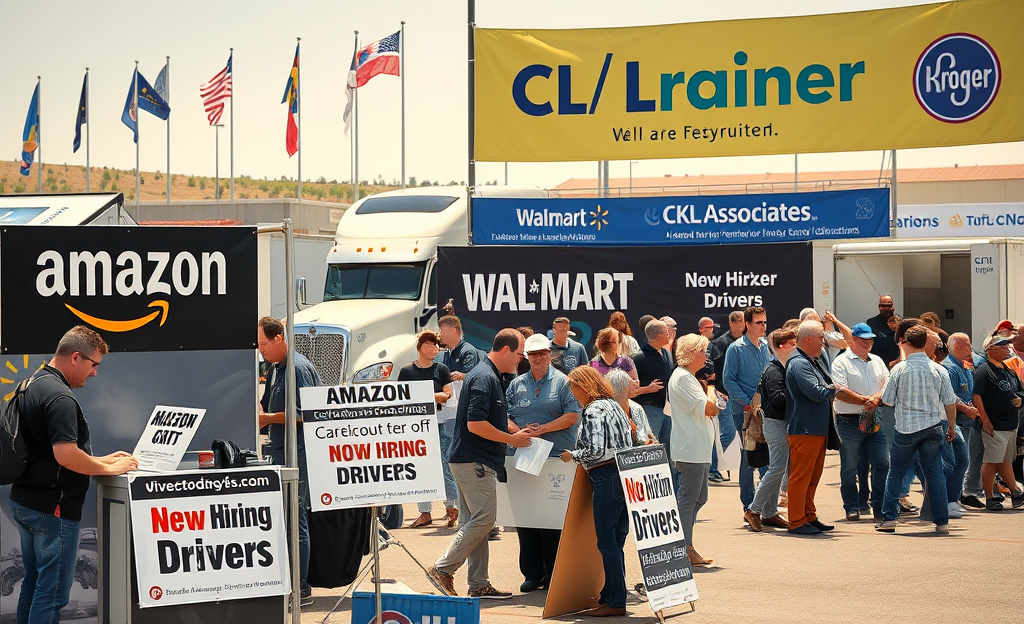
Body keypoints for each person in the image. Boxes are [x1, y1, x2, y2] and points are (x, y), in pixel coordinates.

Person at [10, 326, 138, 624]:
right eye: (94, 365)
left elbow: (46, 450)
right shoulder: (61, 398)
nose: (94, 374)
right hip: (52, 511)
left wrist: (99, 458)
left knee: (34, 586)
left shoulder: (32, 383)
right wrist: (108, 469)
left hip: (26, 502)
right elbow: (65, 455)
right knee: (52, 595)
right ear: (76, 357)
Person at [429, 329, 532, 599]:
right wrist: (512, 439)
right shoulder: (484, 377)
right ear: (506, 350)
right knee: (484, 520)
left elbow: (488, 419)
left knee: (476, 523)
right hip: (474, 461)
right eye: (520, 354)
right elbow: (476, 424)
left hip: (469, 459)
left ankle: (478, 584)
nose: (521, 360)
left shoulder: (486, 375)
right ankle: (443, 568)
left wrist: (514, 430)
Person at [505, 334, 581, 592]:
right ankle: (532, 573)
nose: (538, 358)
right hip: (524, 457)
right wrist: (518, 432)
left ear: (551, 354)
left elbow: (572, 416)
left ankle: (554, 573)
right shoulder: (516, 384)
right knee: (526, 518)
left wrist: (543, 429)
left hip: (555, 459)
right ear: (526, 356)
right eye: (533, 354)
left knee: (553, 520)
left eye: (543, 353)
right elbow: (503, 415)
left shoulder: (563, 383)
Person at [559, 366, 634, 618]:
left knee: (607, 542)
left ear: (583, 386)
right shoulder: (614, 405)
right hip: (625, 476)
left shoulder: (593, 410)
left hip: (606, 476)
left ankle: (614, 600)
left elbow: (597, 450)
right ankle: (610, 595)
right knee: (616, 541)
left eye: (573, 388)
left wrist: (573, 455)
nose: (572, 393)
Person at [257, 316, 321, 605]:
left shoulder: (298, 367)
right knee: (282, 518)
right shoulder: (275, 368)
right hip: (278, 451)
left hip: (299, 453)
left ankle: (302, 587)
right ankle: (286, 580)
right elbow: (267, 401)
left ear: (279, 339)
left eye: (263, 344)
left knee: (296, 518)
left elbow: (307, 413)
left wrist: (267, 418)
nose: (260, 350)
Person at [875, 326, 958, 534]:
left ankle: (889, 520)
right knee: (935, 474)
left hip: (907, 429)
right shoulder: (939, 369)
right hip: (933, 427)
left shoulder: (900, 369)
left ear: (907, 344)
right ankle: (942, 522)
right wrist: (952, 426)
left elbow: (887, 400)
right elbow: (949, 401)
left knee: (896, 473)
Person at [667, 334, 720, 567]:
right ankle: (683, 549)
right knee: (689, 500)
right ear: (690, 354)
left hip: (697, 448)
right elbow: (712, 409)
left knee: (698, 498)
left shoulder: (686, 377)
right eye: (702, 351)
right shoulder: (683, 378)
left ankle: (683, 546)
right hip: (690, 449)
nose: (706, 356)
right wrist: (711, 390)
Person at [830, 323, 891, 522]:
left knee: (882, 463)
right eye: (864, 340)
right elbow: (840, 391)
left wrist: (875, 399)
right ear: (853, 340)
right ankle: (852, 505)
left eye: (870, 340)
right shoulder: (841, 362)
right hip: (849, 420)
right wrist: (867, 400)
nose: (868, 343)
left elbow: (888, 385)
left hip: (875, 417)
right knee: (850, 466)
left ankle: (879, 505)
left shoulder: (877, 361)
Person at [399, 330, 458, 529]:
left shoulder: (441, 369)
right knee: (421, 466)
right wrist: (435, 395)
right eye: (430, 345)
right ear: (420, 347)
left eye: (436, 345)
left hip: (441, 423)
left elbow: (448, 396)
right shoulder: (407, 371)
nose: (435, 349)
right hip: (416, 426)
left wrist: (421, 394)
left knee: (444, 464)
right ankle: (425, 512)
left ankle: (451, 506)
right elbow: (402, 399)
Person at [784, 321, 838, 535]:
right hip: (804, 429)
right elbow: (816, 392)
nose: (823, 343)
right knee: (801, 477)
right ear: (808, 339)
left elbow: (821, 389)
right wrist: (834, 388)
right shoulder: (799, 363)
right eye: (820, 338)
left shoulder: (809, 361)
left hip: (815, 429)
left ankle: (808, 515)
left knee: (812, 478)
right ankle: (796, 521)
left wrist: (829, 388)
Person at [745, 329, 798, 531]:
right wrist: (798, 397)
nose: (795, 347)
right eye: (792, 343)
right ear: (779, 346)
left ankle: (769, 513)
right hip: (774, 423)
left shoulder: (784, 366)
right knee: (776, 468)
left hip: (781, 422)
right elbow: (777, 398)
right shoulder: (774, 370)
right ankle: (753, 509)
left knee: (779, 467)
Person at [722, 306, 771, 514]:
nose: (763, 326)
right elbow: (728, 380)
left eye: (765, 322)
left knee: (766, 456)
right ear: (747, 325)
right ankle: (748, 505)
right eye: (759, 323)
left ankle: (764, 504)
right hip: (744, 411)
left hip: (764, 410)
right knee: (749, 456)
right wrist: (748, 403)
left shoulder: (765, 346)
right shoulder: (736, 348)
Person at [972, 335, 1024, 511]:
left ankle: (1015, 492)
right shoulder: (983, 370)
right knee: (992, 461)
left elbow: (1021, 391)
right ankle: (989, 497)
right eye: (1002, 346)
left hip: (1010, 424)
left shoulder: (1009, 370)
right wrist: (984, 418)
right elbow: (976, 395)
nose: (1007, 348)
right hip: (994, 424)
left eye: (1007, 345)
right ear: (990, 349)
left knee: (1006, 460)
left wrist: (1020, 400)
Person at [944, 333, 985, 509]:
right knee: (958, 461)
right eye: (968, 345)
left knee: (966, 460)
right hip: (956, 423)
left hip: (968, 423)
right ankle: (950, 499)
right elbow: (949, 397)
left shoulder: (964, 366)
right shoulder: (949, 368)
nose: (970, 349)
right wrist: (965, 408)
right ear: (959, 346)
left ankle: (959, 495)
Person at [632, 320, 675, 481]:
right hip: (650, 410)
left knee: (668, 452)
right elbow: (628, 389)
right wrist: (646, 389)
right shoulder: (638, 358)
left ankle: (668, 486)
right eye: (665, 331)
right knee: (649, 449)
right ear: (656, 336)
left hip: (667, 409)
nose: (669, 334)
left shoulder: (665, 354)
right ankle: (646, 482)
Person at [708, 310, 745, 481]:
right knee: (729, 432)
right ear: (731, 322)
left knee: (737, 433)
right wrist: (715, 389)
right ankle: (710, 464)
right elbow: (712, 369)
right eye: (740, 321)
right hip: (724, 394)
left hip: (740, 394)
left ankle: (713, 464)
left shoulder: (746, 342)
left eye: (744, 321)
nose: (743, 324)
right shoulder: (720, 343)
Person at [606, 369, 656, 445]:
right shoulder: (606, 411)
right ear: (623, 388)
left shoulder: (636, 408)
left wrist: (654, 443)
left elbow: (648, 433)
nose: (635, 385)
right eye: (630, 383)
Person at [438, 315, 483, 382]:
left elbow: (473, 379)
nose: (439, 334)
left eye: (442, 330)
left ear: (452, 330)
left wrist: (462, 376)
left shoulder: (468, 352)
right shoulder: (446, 353)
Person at [865, 295, 901, 368]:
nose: (886, 308)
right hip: (876, 361)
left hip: (896, 362)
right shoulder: (871, 322)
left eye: (888, 305)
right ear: (879, 306)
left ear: (893, 306)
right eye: (883, 305)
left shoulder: (900, 322)